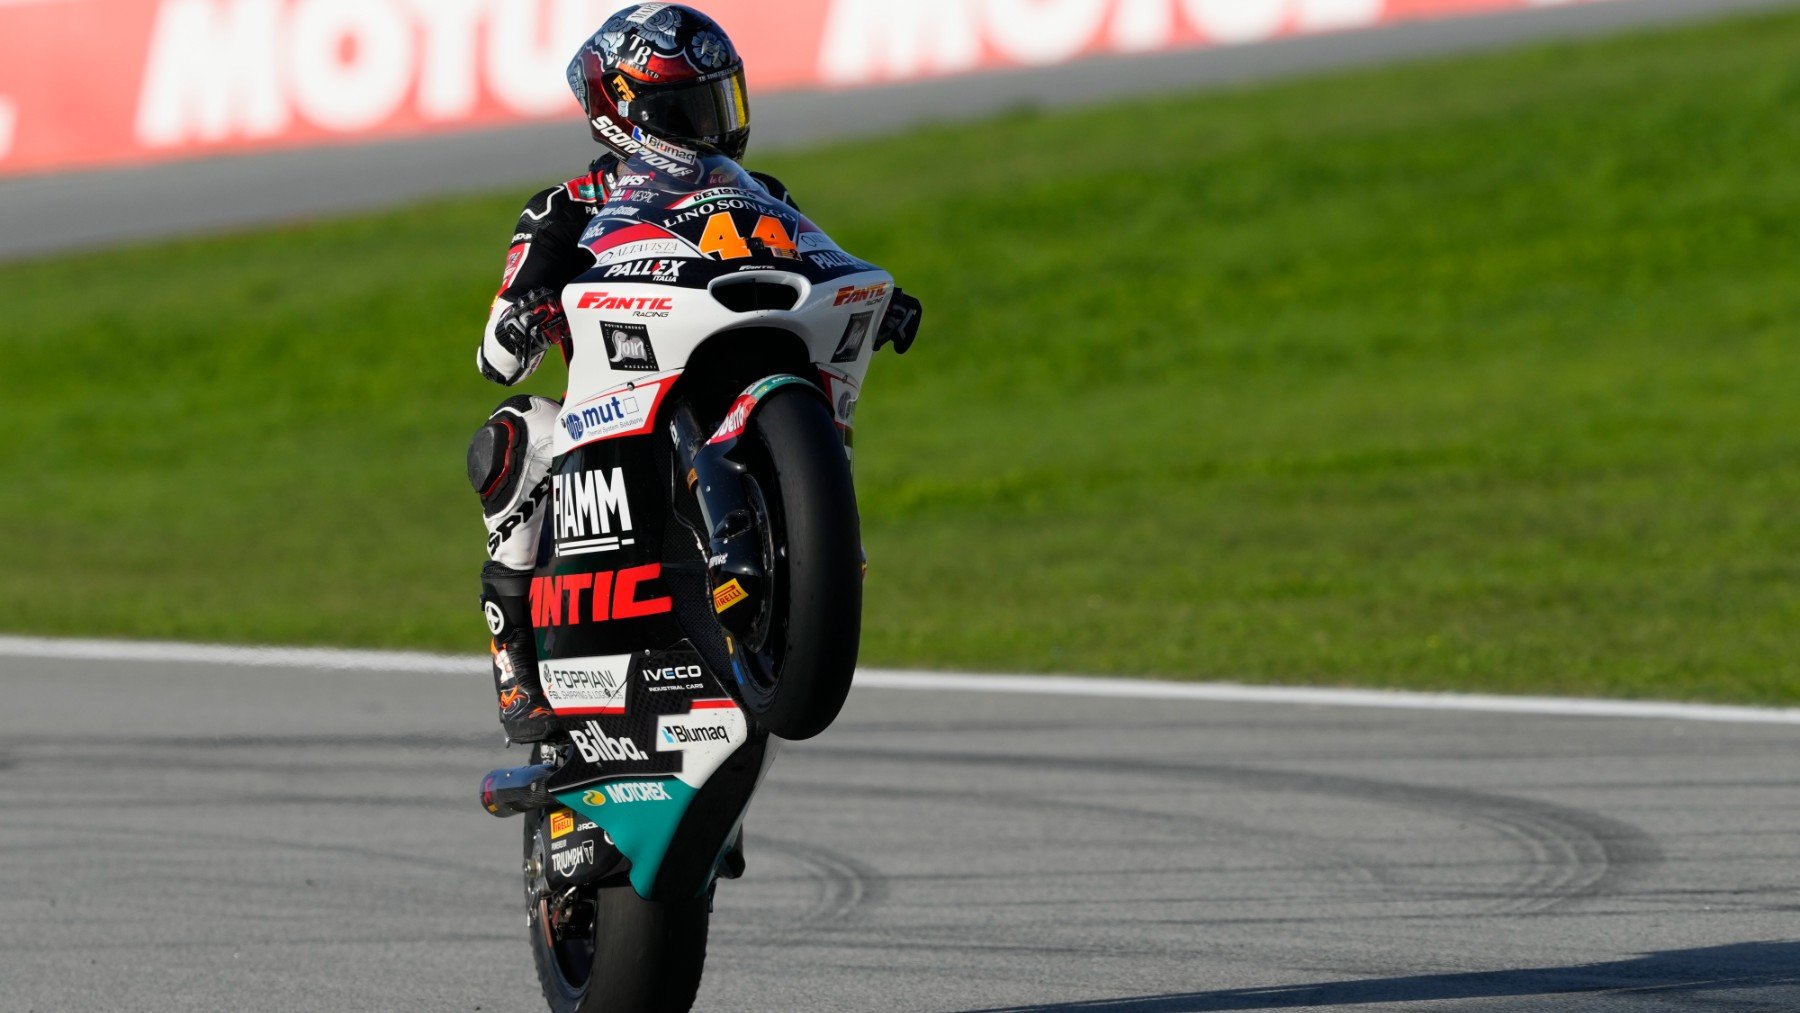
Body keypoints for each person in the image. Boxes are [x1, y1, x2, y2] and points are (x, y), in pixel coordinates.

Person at [465, 4, 923, 742]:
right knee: (513, 436)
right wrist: (525, 312)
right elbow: (497, 349)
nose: (710, 124)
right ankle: (514, 659)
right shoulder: (567, 207)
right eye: (685, 107)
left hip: (733, 359)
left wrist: (879, 298)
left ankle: (803, 557)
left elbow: (811, 254)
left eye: (720, 101)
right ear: (622, 112)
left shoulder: (762, 191)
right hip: (613, 397)